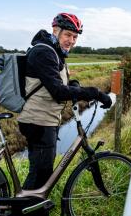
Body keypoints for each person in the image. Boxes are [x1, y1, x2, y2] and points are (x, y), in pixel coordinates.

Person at [17, 13, 112, 194]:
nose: (72, 40)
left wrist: (75, 86)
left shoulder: (54, 52)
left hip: (45, 119)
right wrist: (94, 93)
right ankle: (28, 212)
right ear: (55, 30)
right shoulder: (44, 52)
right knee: (40, 175)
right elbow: (58, 91)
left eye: (75, 37)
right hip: (38, 120)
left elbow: (55, 83)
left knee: (42, 172)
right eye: (68, 35)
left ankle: (31, 208)